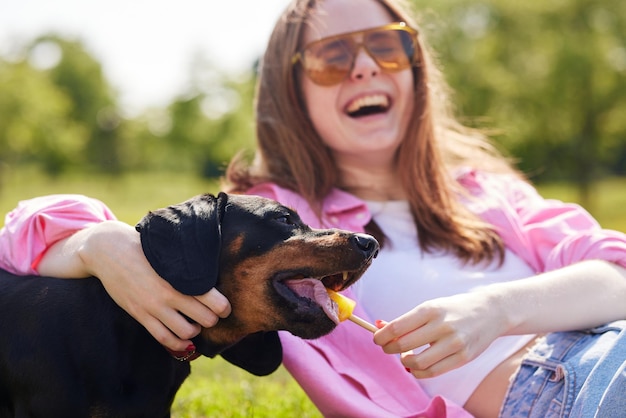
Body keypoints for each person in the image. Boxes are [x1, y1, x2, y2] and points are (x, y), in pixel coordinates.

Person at [2, 0, 626, 416]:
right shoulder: (279, 215)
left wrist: (498, 308)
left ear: (414, 70)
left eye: (386, 45)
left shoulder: (487, 192)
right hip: (567, 387)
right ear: (291, 88)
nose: (362, 67)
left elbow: (615, 272)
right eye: (332, 57)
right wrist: (99, 243)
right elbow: (22, 234)